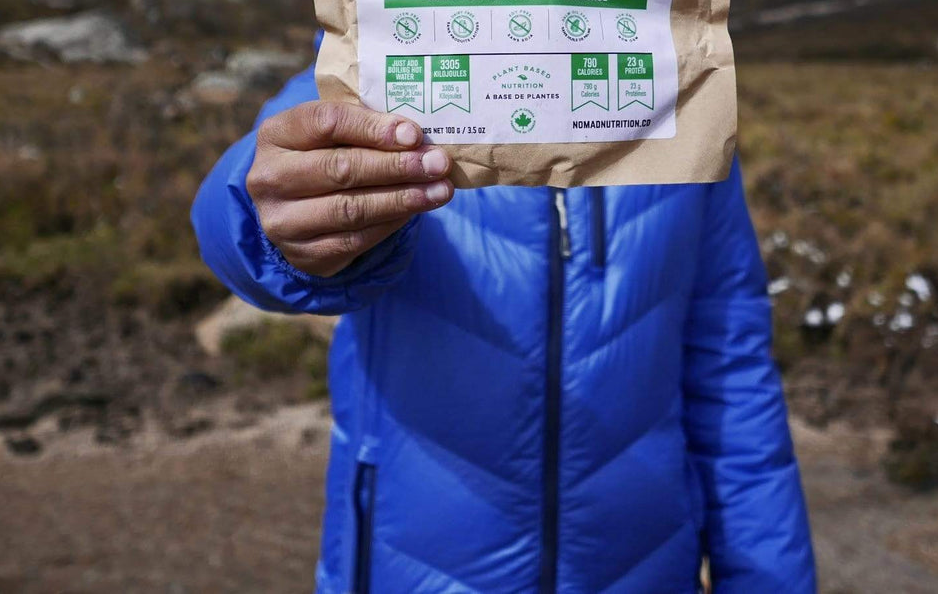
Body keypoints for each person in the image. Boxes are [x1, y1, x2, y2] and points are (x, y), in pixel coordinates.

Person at [191, 58, 816, 593]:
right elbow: (244, 204)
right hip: (410, 565)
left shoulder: (682, 102)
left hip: (646, 564)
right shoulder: (373, 69)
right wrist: (269, 213)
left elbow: (731, 376)